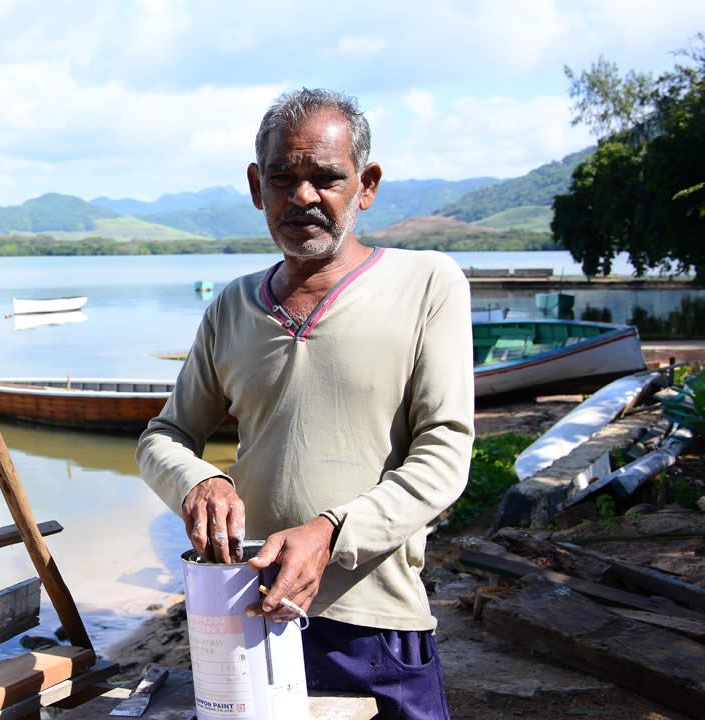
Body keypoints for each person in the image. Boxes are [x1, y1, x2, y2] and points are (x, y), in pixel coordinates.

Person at [136, 88, 473, 719]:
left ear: (365, 185)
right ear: (256, 187)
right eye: (284, 178)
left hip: (375, 626)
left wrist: (331, 533)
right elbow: (164, 436)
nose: (304, 197)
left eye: (326, 178)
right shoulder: (232, 307)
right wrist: (199, 482)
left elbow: (445, 453)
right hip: (246, 616)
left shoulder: (427, 284)